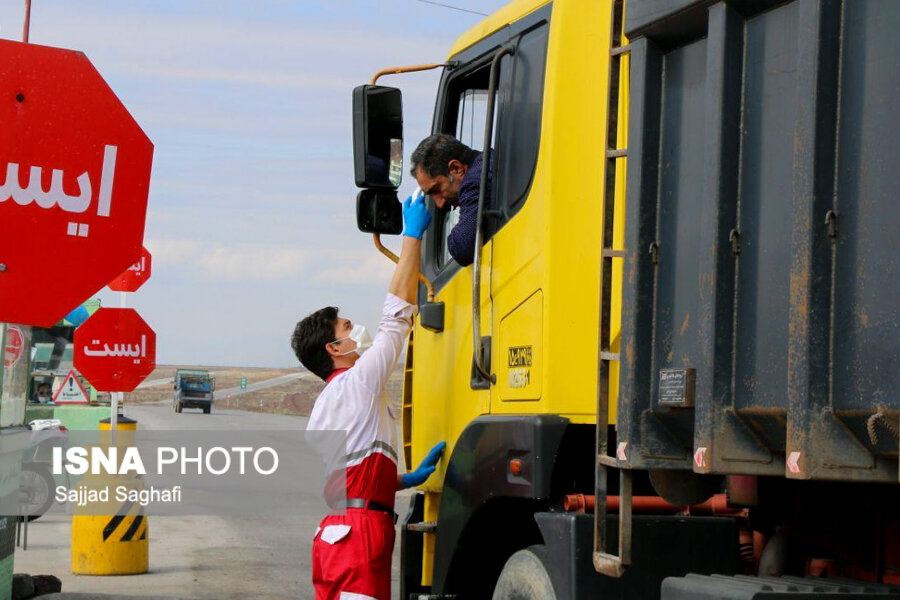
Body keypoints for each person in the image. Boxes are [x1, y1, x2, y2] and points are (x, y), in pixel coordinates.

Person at [292, 192, 446, 600]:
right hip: (359, 537)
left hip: (335, 536)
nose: (356, 328)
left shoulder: (325, 406)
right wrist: (412, 236)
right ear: (334, 350)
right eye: (346, 327)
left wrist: (399, 481)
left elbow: (350, 478)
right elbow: (396, 317)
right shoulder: (358, 383)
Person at [409, 133, 492, 267]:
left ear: (457, 169)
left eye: (437, 189)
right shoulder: (487, 163)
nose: (440, 203)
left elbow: (463, 248)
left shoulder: (476, 181)